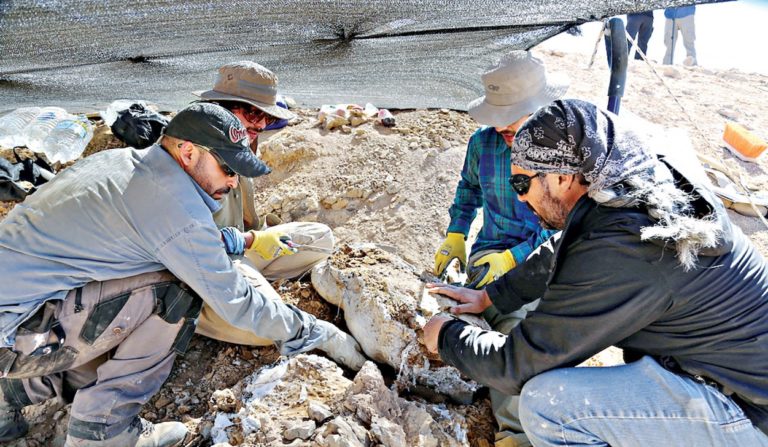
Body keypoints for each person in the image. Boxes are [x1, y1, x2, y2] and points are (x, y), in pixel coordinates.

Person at [0, 103, 365, 447]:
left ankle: (10, 400)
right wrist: (312, 331)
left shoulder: (123, 164)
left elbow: (150, 236)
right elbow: (234, 299)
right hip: (19, 340)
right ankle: (102, 429)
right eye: (228, 169)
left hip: (17, 318)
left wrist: (240, 240)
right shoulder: (174, 204)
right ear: (188, 152)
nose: (234, 183)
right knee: (176, 288)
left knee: (137, 286)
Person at [423, 99, 768, 446]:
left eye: (522, 185)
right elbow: (563, 247)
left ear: (562, 177)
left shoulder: (629, 250)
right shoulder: (634, 186)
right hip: (722, 377)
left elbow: (519, 364)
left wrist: (446, 336)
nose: (522, 200)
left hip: (745, 413)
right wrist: (491, 295)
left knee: (549, 404)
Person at [432, 50, 568, 447]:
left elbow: (566, 228)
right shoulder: (483, 143)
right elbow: (469, 189)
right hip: (487, 255)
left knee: (515, 333)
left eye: (515, 117)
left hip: (546, 264)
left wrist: (515, 259)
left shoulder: (560, 153)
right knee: (471, 310)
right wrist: (456, 234)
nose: (504, 126)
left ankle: (517, 435)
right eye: (498, 117)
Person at [190, 61, 339, 348]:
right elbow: (182, 243)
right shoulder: (188, 154)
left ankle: (253, 287)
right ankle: (228, 311)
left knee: (320, 238)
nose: (259, 124)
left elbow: (245, 217)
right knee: (275, 326)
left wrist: (260, 239)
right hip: (203, 273)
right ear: (219, 108)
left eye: (266, 117)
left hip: (239, 252)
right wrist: (247, 242)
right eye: (250, 113)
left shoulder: (242, 143)